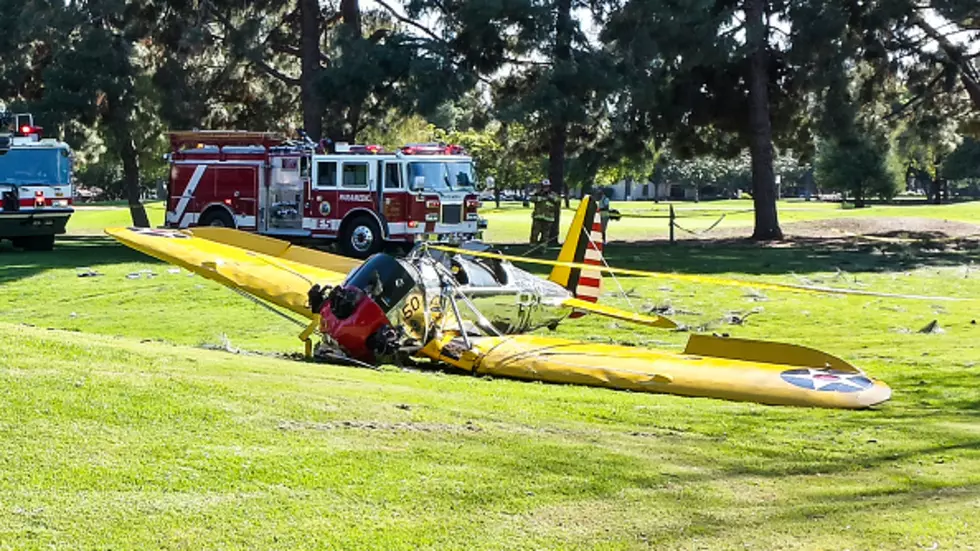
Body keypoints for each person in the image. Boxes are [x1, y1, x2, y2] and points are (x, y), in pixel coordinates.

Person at [529, 179, 559, 244]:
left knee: (545, 235)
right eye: (544, 186)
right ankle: (532, 246)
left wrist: (549, 197)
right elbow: (531, 199)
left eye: (547, 186)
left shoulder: (553, 194)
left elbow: (557, 200)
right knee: (535, 233)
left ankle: (542, 249)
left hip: (548, 218)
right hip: (538, 217)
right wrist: (540, 198)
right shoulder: (537, 193)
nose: (546, 188)